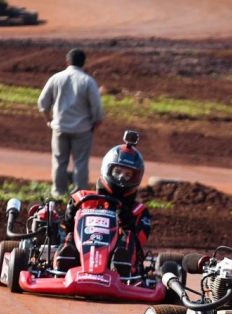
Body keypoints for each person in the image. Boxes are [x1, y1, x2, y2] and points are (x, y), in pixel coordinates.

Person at [53, 131, 151, 277]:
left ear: (135, 177)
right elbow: (63, 228)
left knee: (128, 236)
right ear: (108, 170)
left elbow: (139, 242)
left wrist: (126, 222)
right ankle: (65, 261)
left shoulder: (138, 211)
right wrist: (70, 213)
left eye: (127, 175)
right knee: (69, 235)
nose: (121, 178)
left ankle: (121, 267)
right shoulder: (82, 198)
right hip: (79, 255)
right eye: (117, 172)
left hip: (117, 267)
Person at [38, 48, 105, 198]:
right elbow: (97, 107)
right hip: (82, 129)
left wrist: (48, 121)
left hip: (60, 127)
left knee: (59, 161)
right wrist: (95, 123)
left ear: (67, 61)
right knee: (80, 163)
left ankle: (58, 193)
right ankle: (80, 195)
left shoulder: (56, 78)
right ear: (84, 63)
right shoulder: (88, 81)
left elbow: (42, 102)